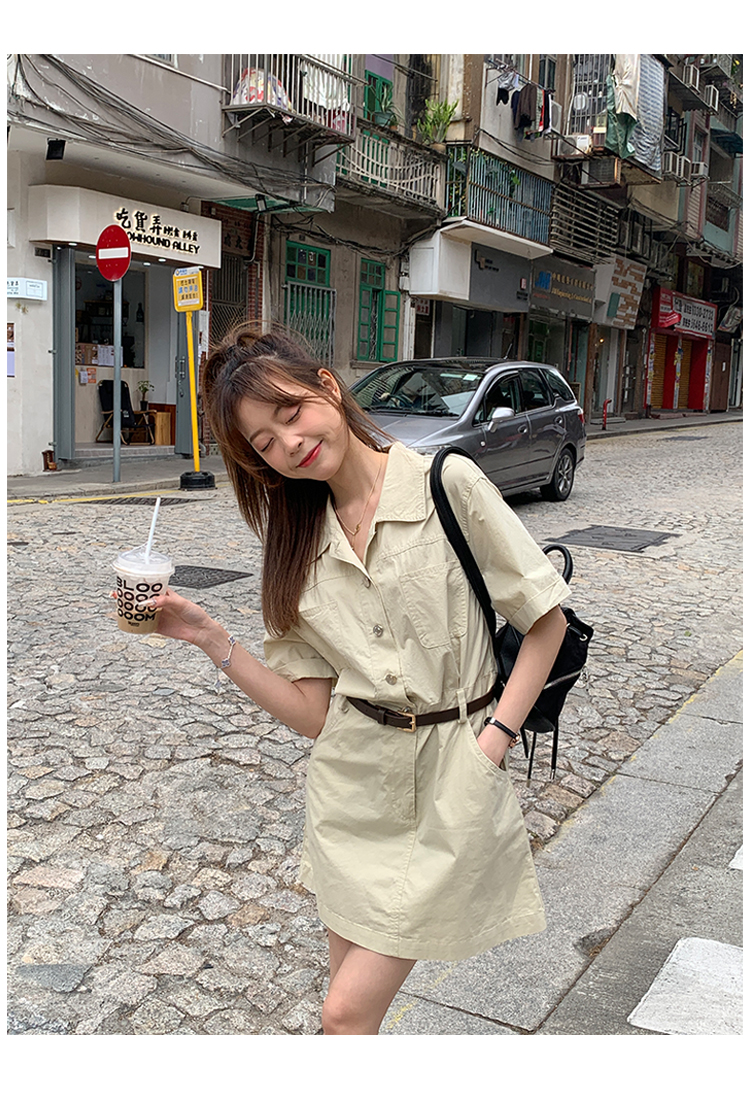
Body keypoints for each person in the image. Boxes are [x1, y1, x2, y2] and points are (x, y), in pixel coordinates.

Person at [149, 324, 570, 1035]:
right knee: (351, 1019)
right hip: (352, 790)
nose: (289, 444)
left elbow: (545, 623)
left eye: (290, 412)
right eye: (264, 443)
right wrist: (208, 637)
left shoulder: (446, 483)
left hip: (451, 776)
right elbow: (314, 713)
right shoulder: (296, 543)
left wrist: (493, 741)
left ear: (328, 387)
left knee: (343, 1014)